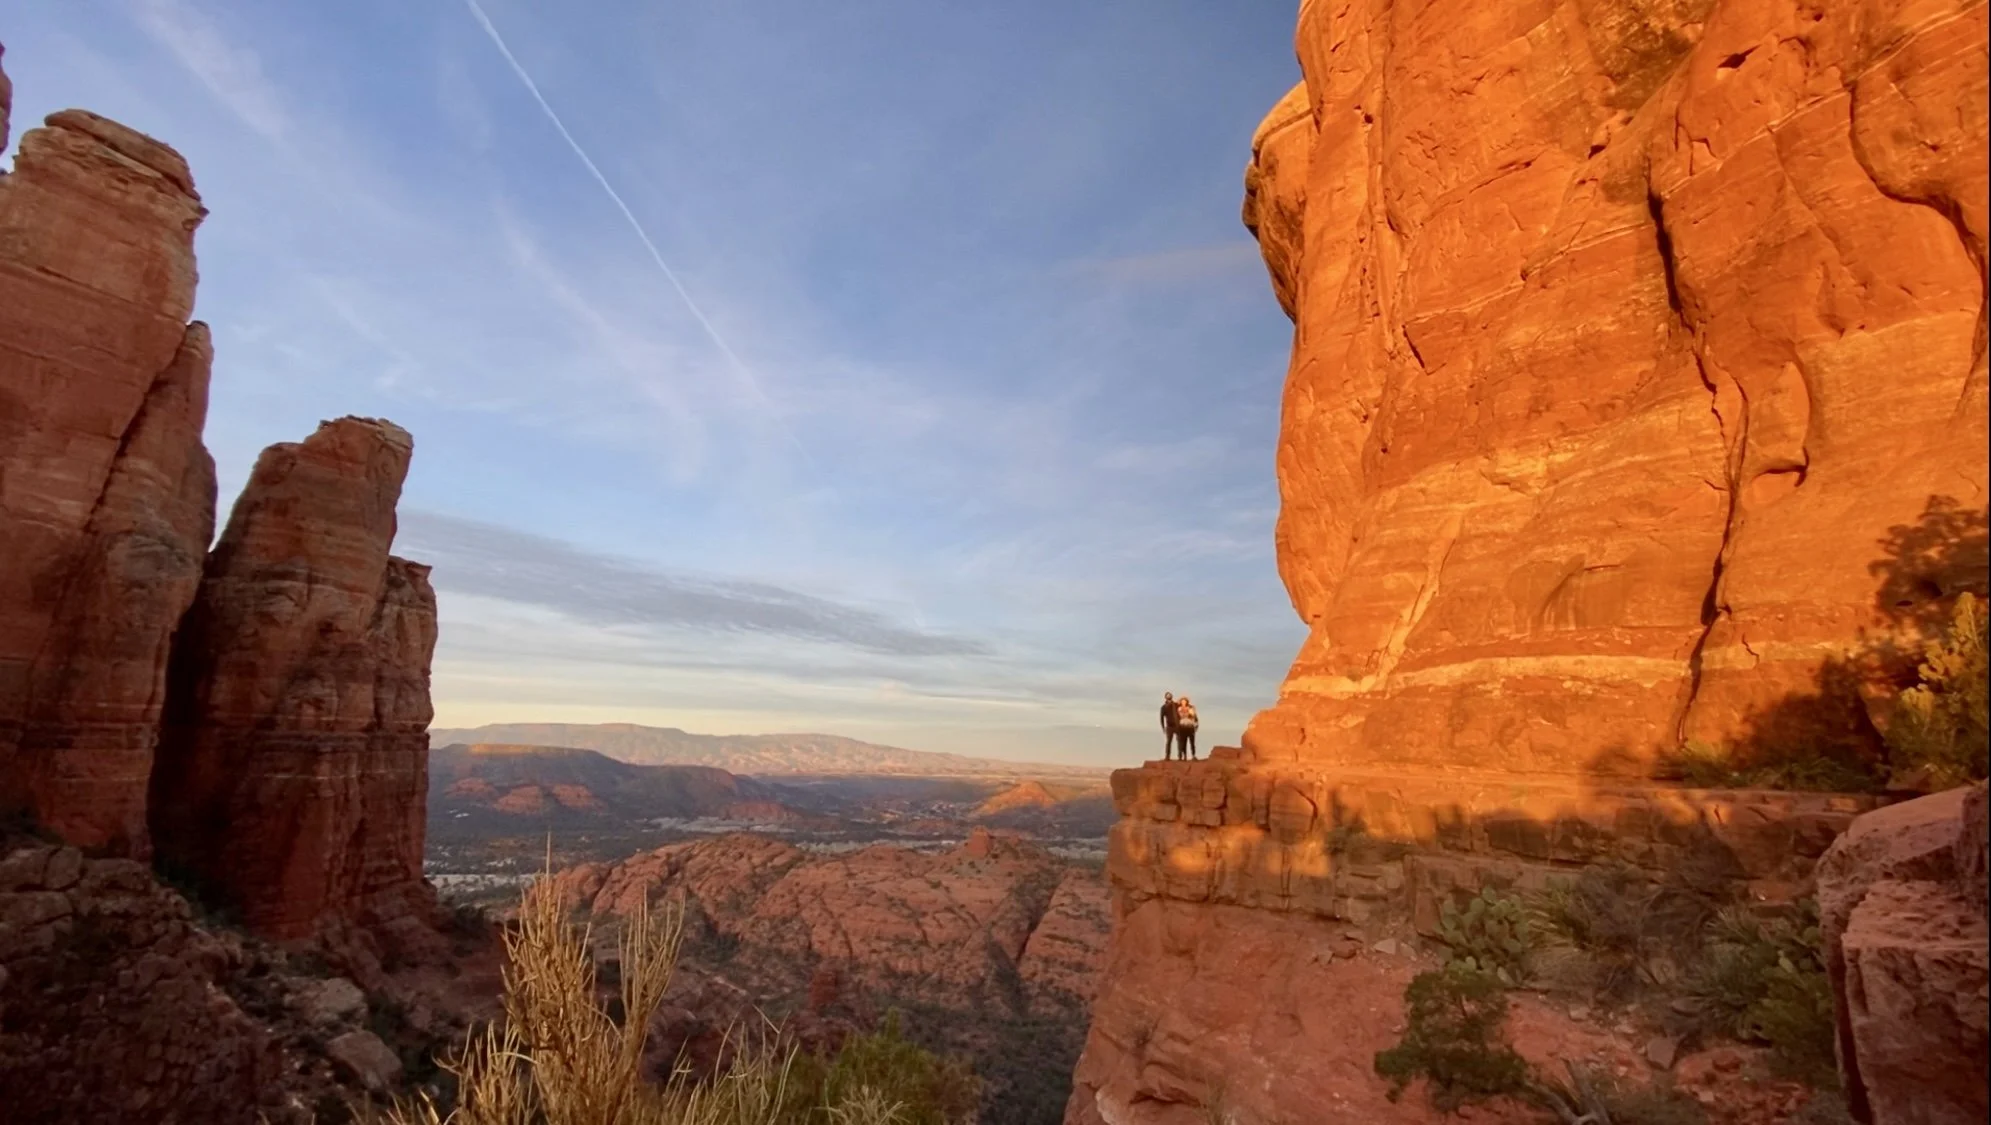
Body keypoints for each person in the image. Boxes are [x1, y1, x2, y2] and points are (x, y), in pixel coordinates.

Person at [1174, 695, 1200, 761]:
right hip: (1182, 726)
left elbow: (1195, 717)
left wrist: (1196, 725)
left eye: (1184, 701)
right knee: (1183, 742)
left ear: (1187, 702)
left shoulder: (1191, 708)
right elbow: (1177, 717)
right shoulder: (1179, 709)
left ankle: (1193, 755)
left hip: (1190, 726)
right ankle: (1184, 756)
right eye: (1182, 701)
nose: (1183, 702)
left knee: (1192, 742)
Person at [1159, 692, 1180, 760]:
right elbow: (1161, 718)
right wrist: (1163, 727)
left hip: (1177, 725)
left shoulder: (1176, 705)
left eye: (1170, 695)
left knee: (1180, 741)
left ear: (1172, 696)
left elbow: (1181, 713)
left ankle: (1180, 756)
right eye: (1167, 695)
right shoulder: (1164, 707)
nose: (1169, 696)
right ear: (1165, 697)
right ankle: (1167, 756)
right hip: (1169, 726)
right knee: (1168, 742)